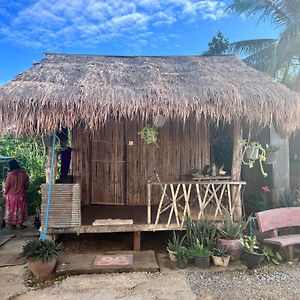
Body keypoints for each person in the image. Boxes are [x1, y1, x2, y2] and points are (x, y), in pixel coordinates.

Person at [4, 159, 29, 230]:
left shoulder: (10, 174)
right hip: (21, 195)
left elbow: (7, 186)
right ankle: (20, 225)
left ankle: (13, 225)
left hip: (11, 196)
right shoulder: (24, 173)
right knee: (20, 210)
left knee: (12, 210)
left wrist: (5, 193)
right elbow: (27, 184)